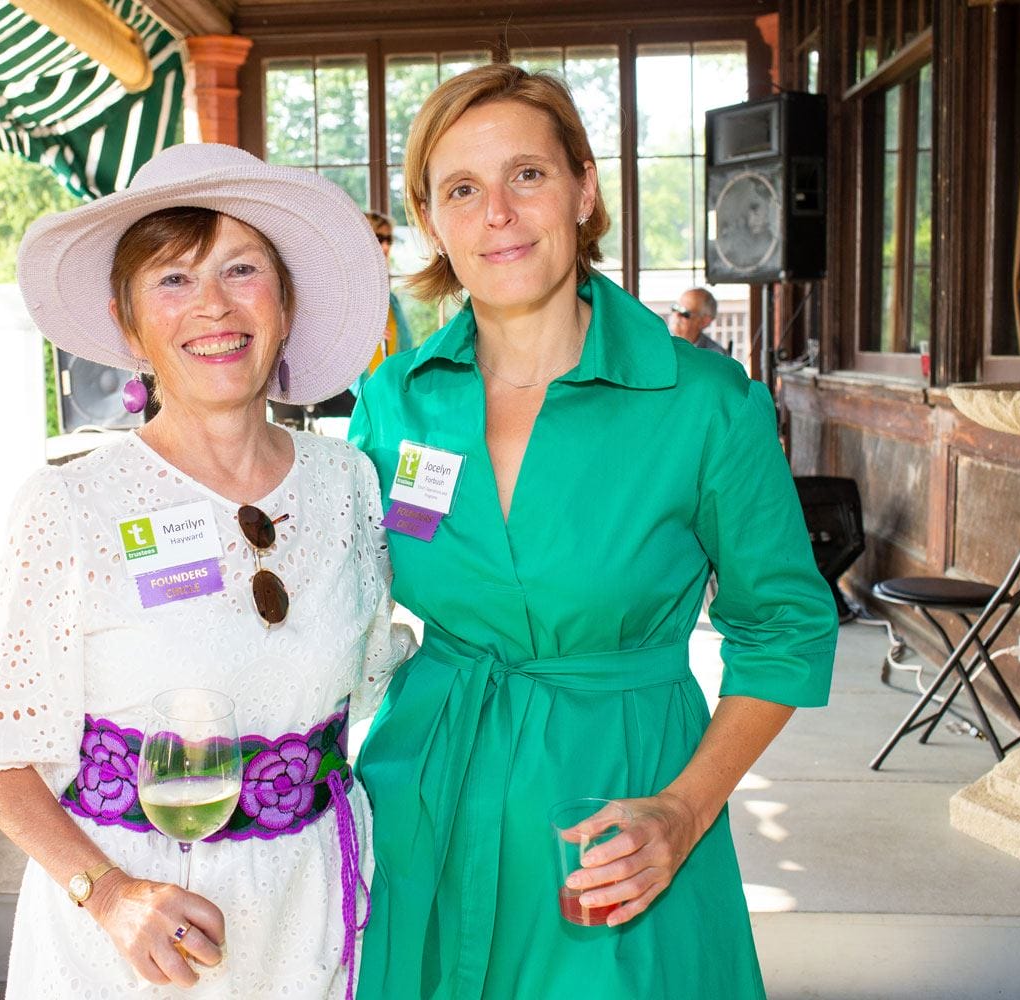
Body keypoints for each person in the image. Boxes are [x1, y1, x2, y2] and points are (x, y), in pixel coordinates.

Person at [349, 64, 838, 998]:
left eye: (527, 175)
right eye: (462, 189)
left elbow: (786, 628)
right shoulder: (394, 402)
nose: (498, 212)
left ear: (584, 190)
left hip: (614, 825)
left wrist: (683, 812)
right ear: (432, 221)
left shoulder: (703, 404)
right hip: (422, 806)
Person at [0, 143, 412, 999]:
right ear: (128, 326)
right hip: (137, 934)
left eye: (242, 269)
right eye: (172, 279)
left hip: (308, 912)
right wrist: (108, 894)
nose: (214, 305)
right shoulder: (72, 503)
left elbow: (378, 679)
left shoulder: (347, 483)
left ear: (285, 304)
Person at [363, 210, 414, 372]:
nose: (386, 246)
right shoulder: (347, 293)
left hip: (389, 379)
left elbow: (405, 344)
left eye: (389, 240)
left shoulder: (390, 299)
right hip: (359, 383)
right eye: (379, 239)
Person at [669, 286, 731, 356]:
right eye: (675, 308)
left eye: (684, 312)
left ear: (704, 321)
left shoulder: (717, 356)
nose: (676, 315)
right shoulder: (660, 343)